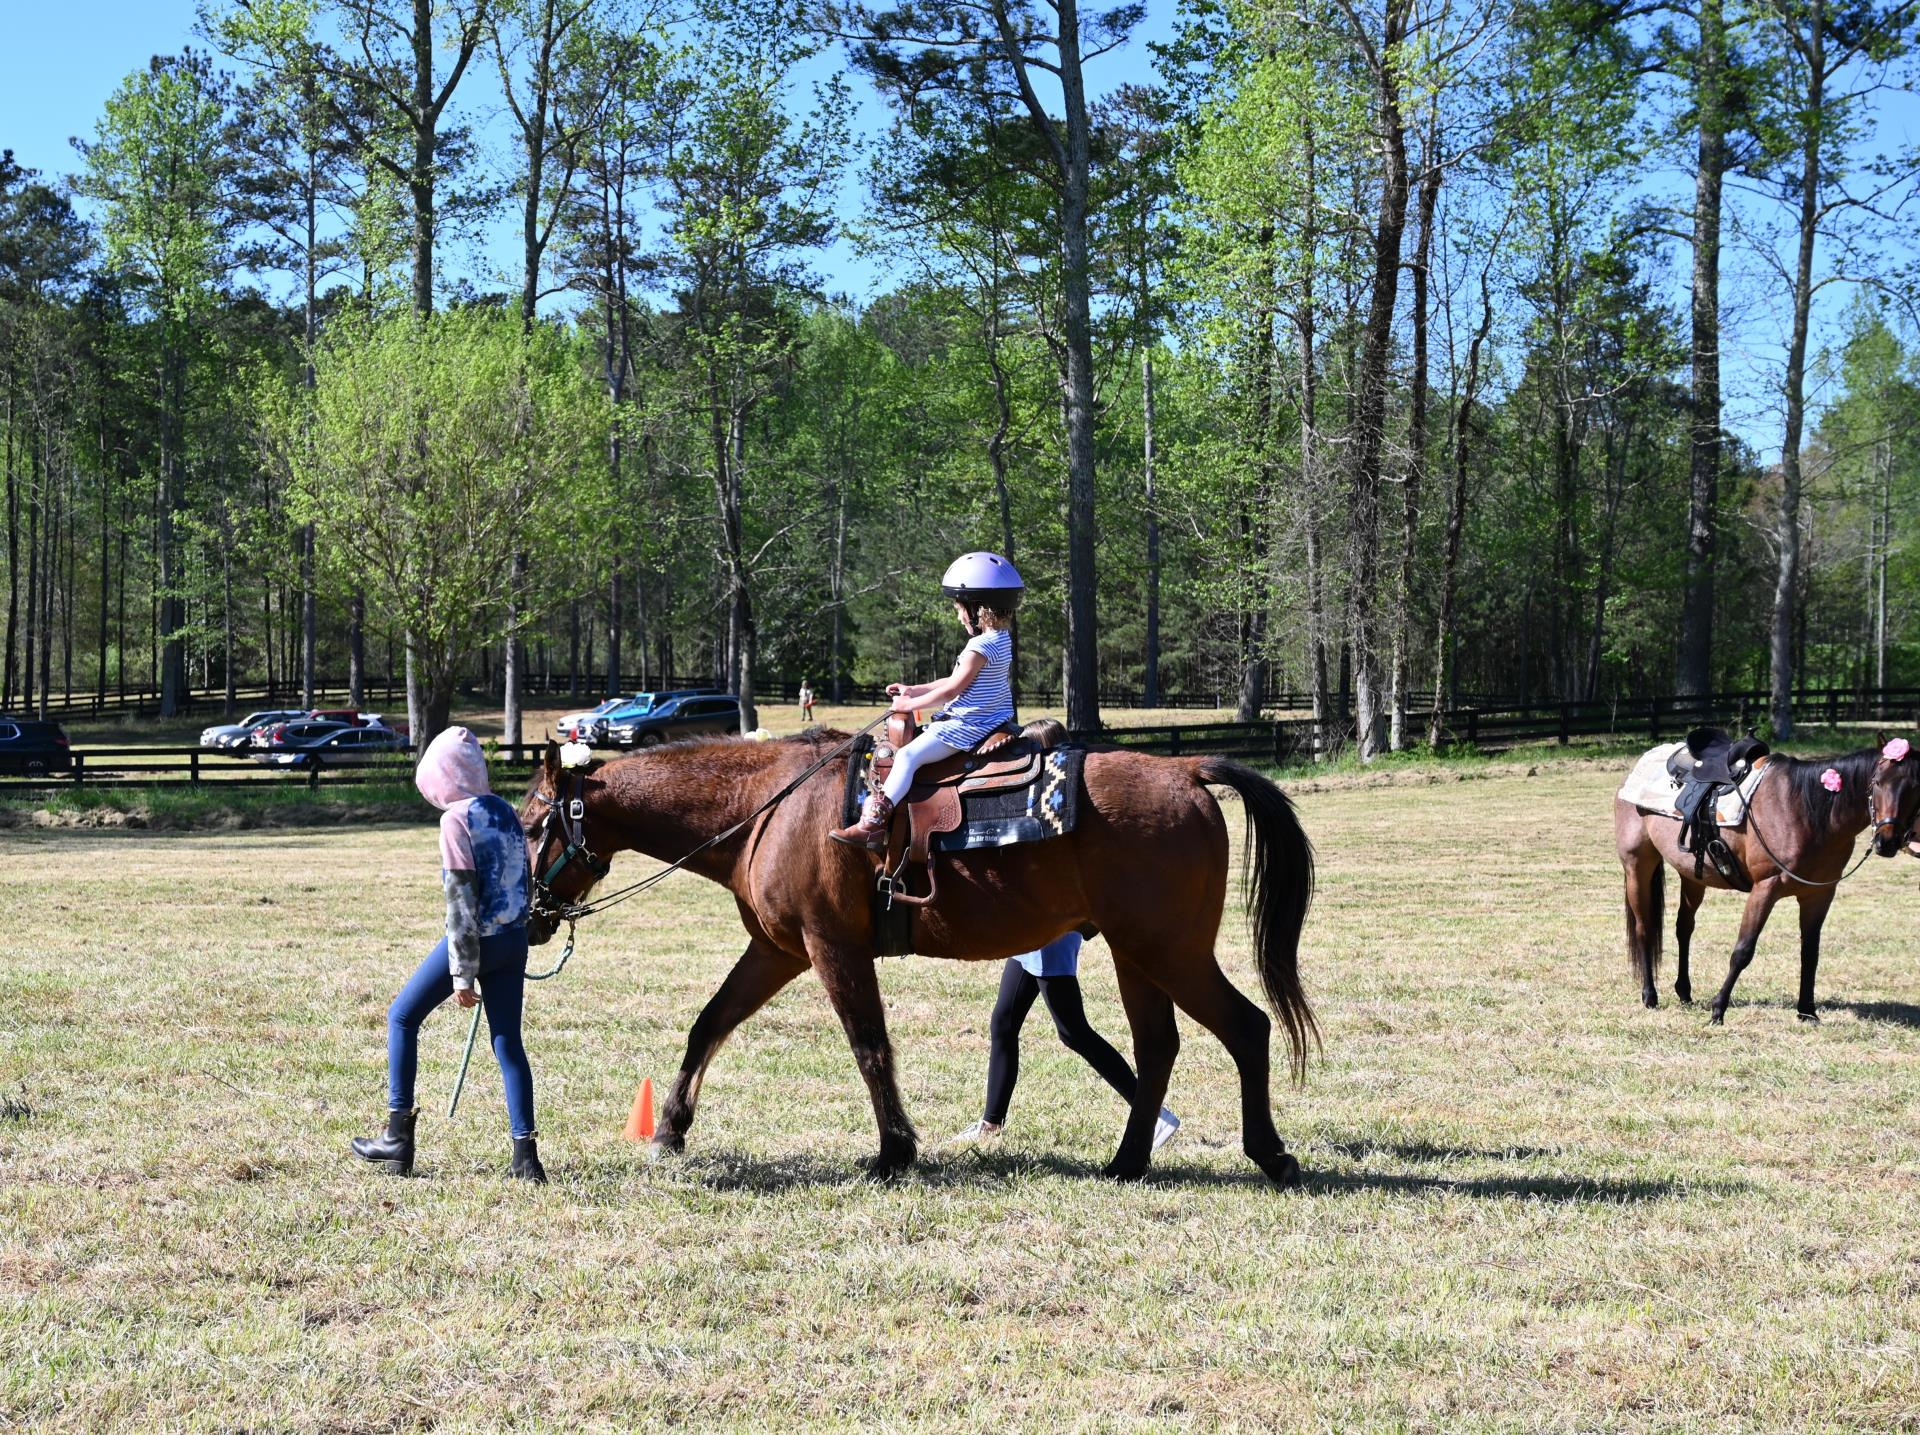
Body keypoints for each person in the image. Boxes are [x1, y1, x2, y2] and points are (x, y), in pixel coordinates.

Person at [350, 726, 546, 1183]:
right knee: (508, 1045)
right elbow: (525, 879)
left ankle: (397, 1136)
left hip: (478, 940)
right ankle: (526, 1159)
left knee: (401, 1016)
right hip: (513, 940)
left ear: (442, 777)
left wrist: (462, 974)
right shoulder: (505, 811)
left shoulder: (455, 820)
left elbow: (461, 902)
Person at [830, 551, 1022, 848]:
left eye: (959, 608)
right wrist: (913, 689)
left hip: (966, 725)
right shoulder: (1000, 640)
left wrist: (908, 705)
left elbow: (950, 692)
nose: (959, 616)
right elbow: (953, 681)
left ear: (978, 608)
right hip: (990, 718)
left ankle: (873, 824)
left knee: (907, 756)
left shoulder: (979, 646)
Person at [951, 932, 1180, 1150]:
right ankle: (991, 1124)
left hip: (1049, 934)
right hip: (1028, 931)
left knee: (1074, 1032)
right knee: (1003, 1023)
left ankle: (1152, 1112)